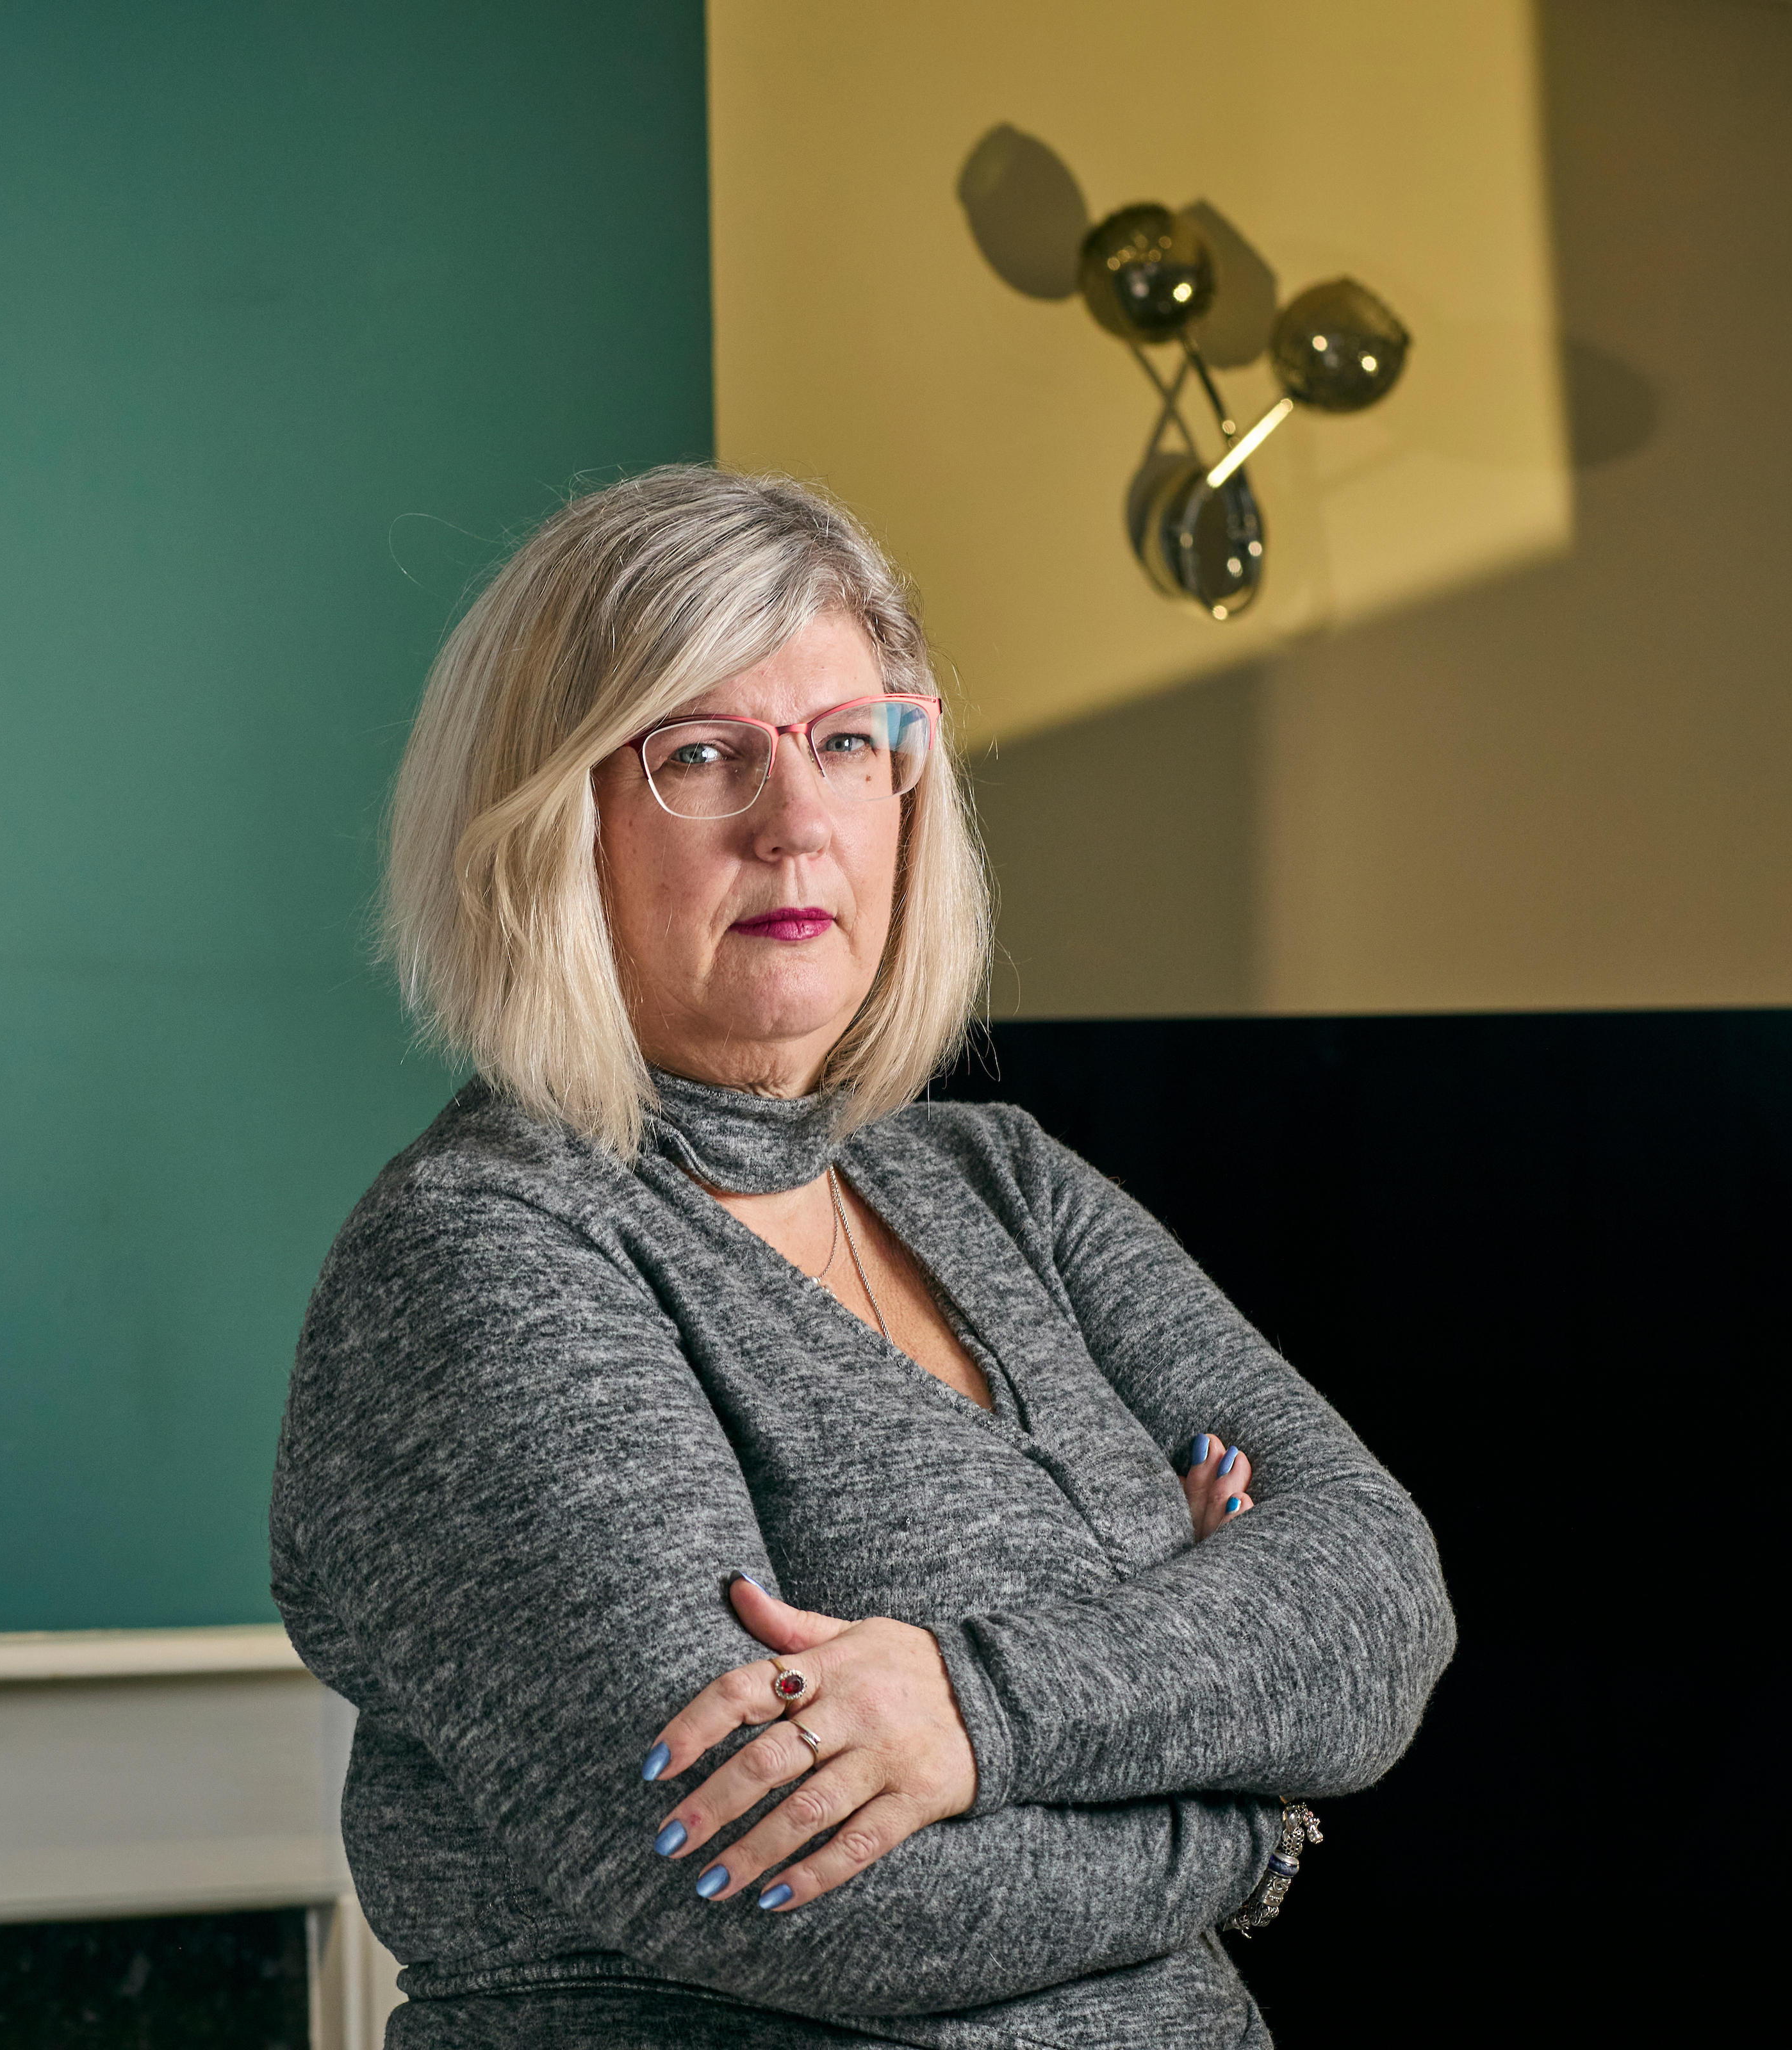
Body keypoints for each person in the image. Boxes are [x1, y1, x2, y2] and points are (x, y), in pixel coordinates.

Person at [270, 468, 1453, 2046]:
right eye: (701, 755)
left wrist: (964, 1708)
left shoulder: (997, 1183)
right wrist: (1243, 1809)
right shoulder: (485, 1255)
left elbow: (1378, 1597)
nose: (796, 820)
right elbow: (793, 1888)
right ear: (548, 824)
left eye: (845, 742)